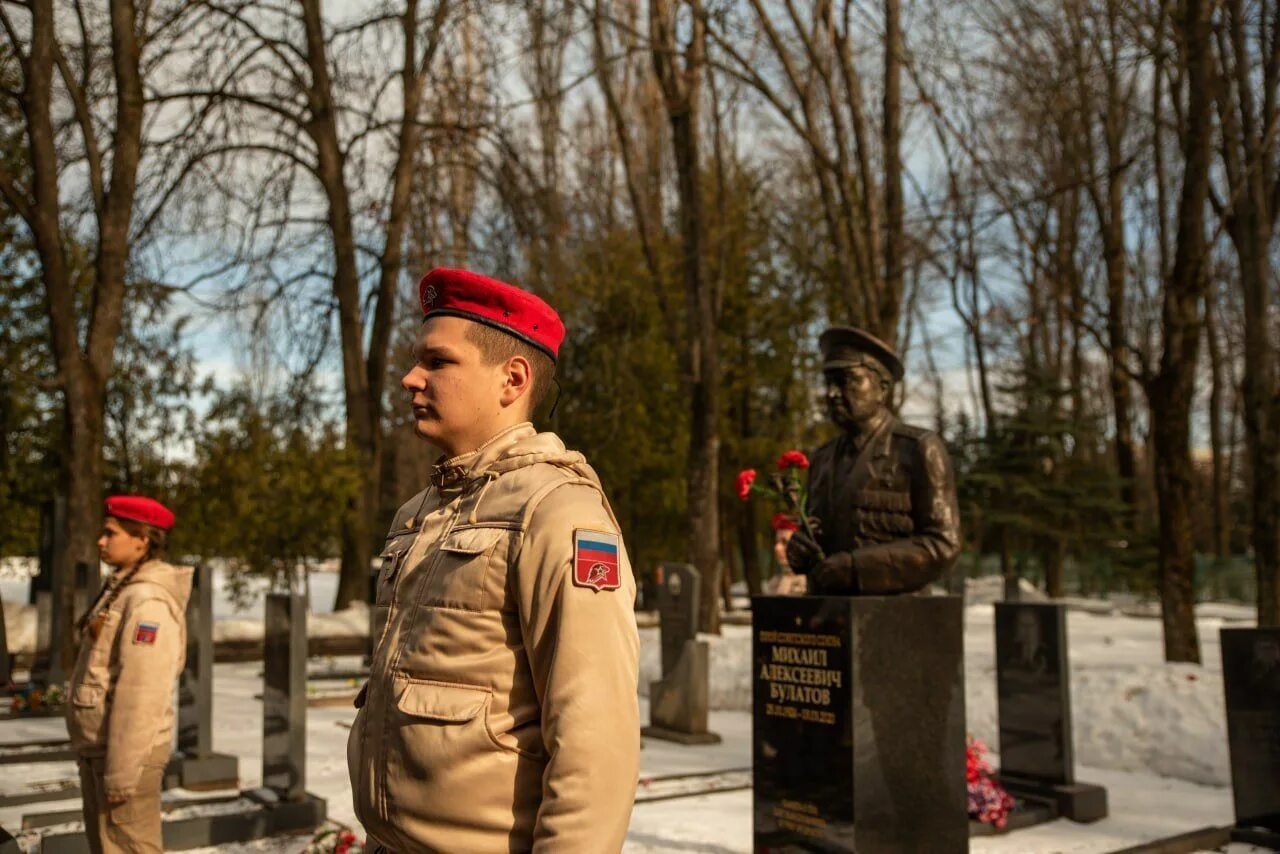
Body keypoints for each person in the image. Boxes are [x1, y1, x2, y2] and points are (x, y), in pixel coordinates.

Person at [348, 267, 641, 852]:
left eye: (437, 362)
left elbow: (594, 739)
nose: (410, 379)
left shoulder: (558, 512)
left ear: (511, 379)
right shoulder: (418, 513)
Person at [786, 326, 961, 594]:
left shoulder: (918, 449)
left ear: (882, 388)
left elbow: (943, 544)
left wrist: (857, 567)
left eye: (846, 380)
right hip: (830, 617)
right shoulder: (822, 459)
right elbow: (818, 536)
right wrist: (800, 551)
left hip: (896, 617)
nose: (832, 394)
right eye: (828, 382)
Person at [66, 496, 191, 854]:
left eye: (110, 533)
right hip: (104, 749)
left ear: (143, 539)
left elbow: (142, 694)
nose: (100, 541)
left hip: (124, 757)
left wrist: (121, 774)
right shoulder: (121, 591)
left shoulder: (146, 602)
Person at [764, 513, 807, 595]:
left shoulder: (808, 584)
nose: (777, 548)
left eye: (785, 542)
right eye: (777, 542)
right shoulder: (774, 583)